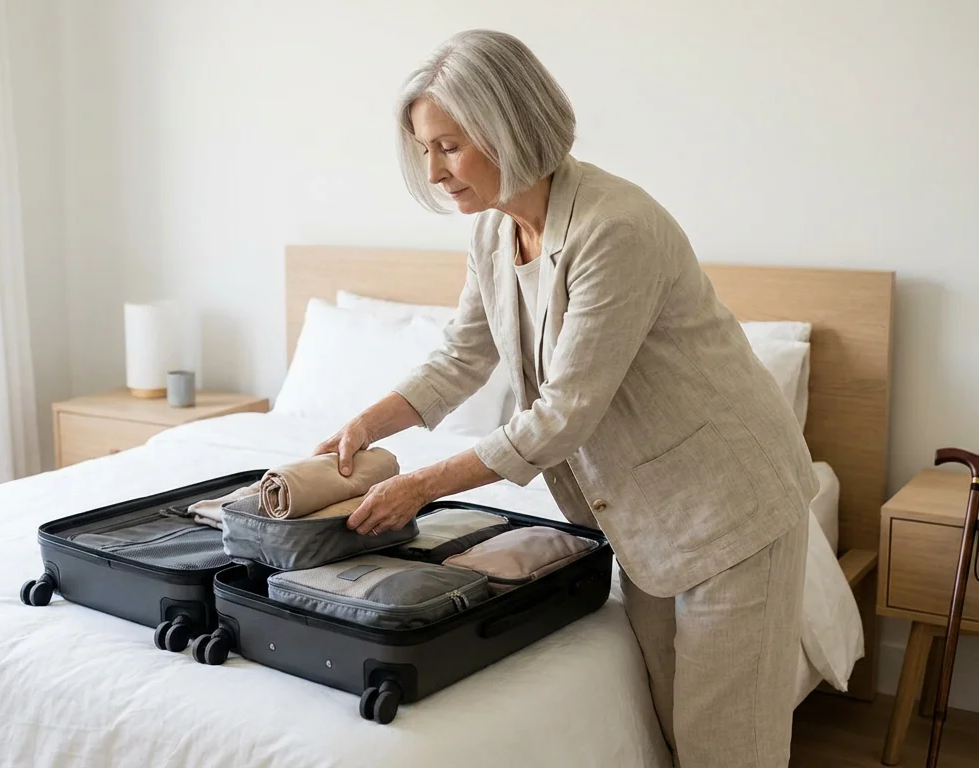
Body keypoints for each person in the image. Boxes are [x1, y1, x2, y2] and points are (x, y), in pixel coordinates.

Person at [311, 29, 817, 768]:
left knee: (728, 748)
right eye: (425, 149)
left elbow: (564, 415)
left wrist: (421, 485)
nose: (436, 171)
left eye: (449, 146)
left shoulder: (616, 229)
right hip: (645, 518)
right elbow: (463, 355)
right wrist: (368, 420)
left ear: (506, 125)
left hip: (729, 508)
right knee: (679, 733)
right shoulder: (492, 232)